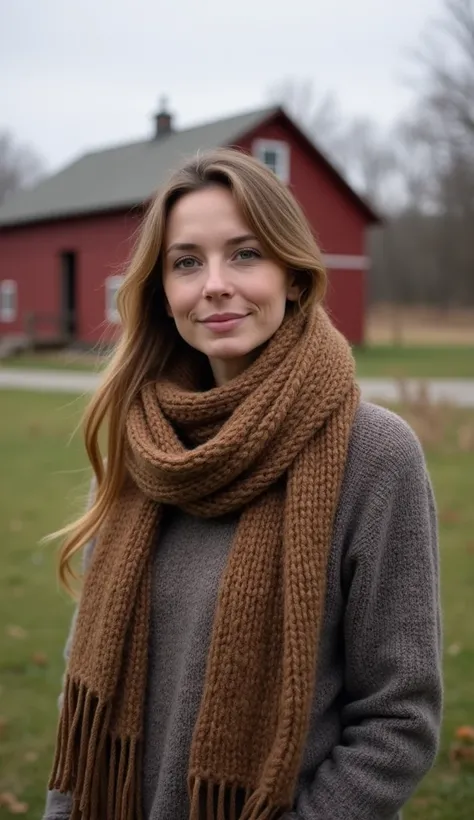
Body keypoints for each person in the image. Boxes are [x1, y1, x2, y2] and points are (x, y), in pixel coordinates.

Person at [43, 148, 442, 820]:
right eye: (187, 261)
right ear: (162, 294)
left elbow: (397, 721)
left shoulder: (373, 455)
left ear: (292, 275)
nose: (215, 284)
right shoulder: (141, 449)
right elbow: (83, 700)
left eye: (246, 254)